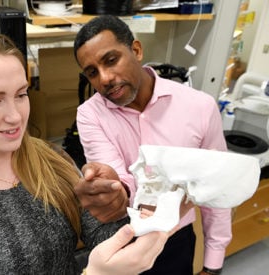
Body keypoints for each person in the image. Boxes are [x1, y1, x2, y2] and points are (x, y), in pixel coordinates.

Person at [0, 31, 175, 274]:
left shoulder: (49, 158)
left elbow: (108, 238)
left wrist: (128, 211)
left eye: (21, 95)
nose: (15, 116)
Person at [73, 15, 232, 275]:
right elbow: (119, 179)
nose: (104, 79)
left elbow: (216, 191)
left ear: (136, 50)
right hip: (122, 239)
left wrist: (213, 264)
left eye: (111, 60)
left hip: (175, 242)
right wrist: (115, 188)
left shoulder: (199, 107)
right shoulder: (90, 114)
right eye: (92, 72)